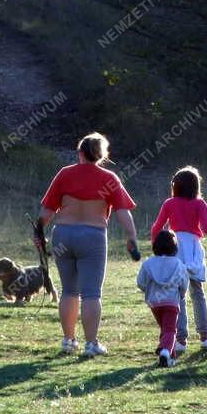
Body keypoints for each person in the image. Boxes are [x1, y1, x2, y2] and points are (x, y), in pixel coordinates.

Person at [38, 132, 138, 357]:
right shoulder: (109, 178)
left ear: (80, 153)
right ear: (101, 155)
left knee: (69, 291)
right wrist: (131, 236)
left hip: (63, 234)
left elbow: (47, 211)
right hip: (92, 236)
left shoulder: (65, 174)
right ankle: (91, 344)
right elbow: (123, 213)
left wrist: (38, 232)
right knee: (91, 293)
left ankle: (68, 340)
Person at [150, 166, 207, 351]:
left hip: (174, 249)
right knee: (198, 293)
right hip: (194, 249)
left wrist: (156, 248)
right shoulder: (199, 204)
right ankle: (204, 336)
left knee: (177, 294)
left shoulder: (169, 203)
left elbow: (157, 227)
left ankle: (180, 340)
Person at [136, 229, 189, 367]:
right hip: (171, 302)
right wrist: (182, 294)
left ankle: (170, 358)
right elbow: (184, 283)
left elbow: (141, 282)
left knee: (166, 329)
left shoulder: (148, 264)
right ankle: (165, 352)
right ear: (174, 247)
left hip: (155, 303)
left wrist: (148, 290)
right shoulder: (178, 264)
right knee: (170, 330)